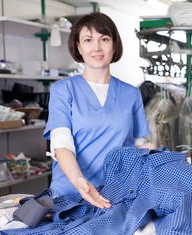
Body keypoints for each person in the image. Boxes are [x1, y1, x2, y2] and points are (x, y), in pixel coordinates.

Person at [43, 12, 155, 209]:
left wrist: (149, 150)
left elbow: (136, 147)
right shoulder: (63, 90)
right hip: (71, 195)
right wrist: (80, 182)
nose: (96, 47)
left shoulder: (131, 94)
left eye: (104, 39)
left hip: (116, 196)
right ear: (78, 46)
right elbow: (61, 145)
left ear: (114, 45)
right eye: (88, 40)